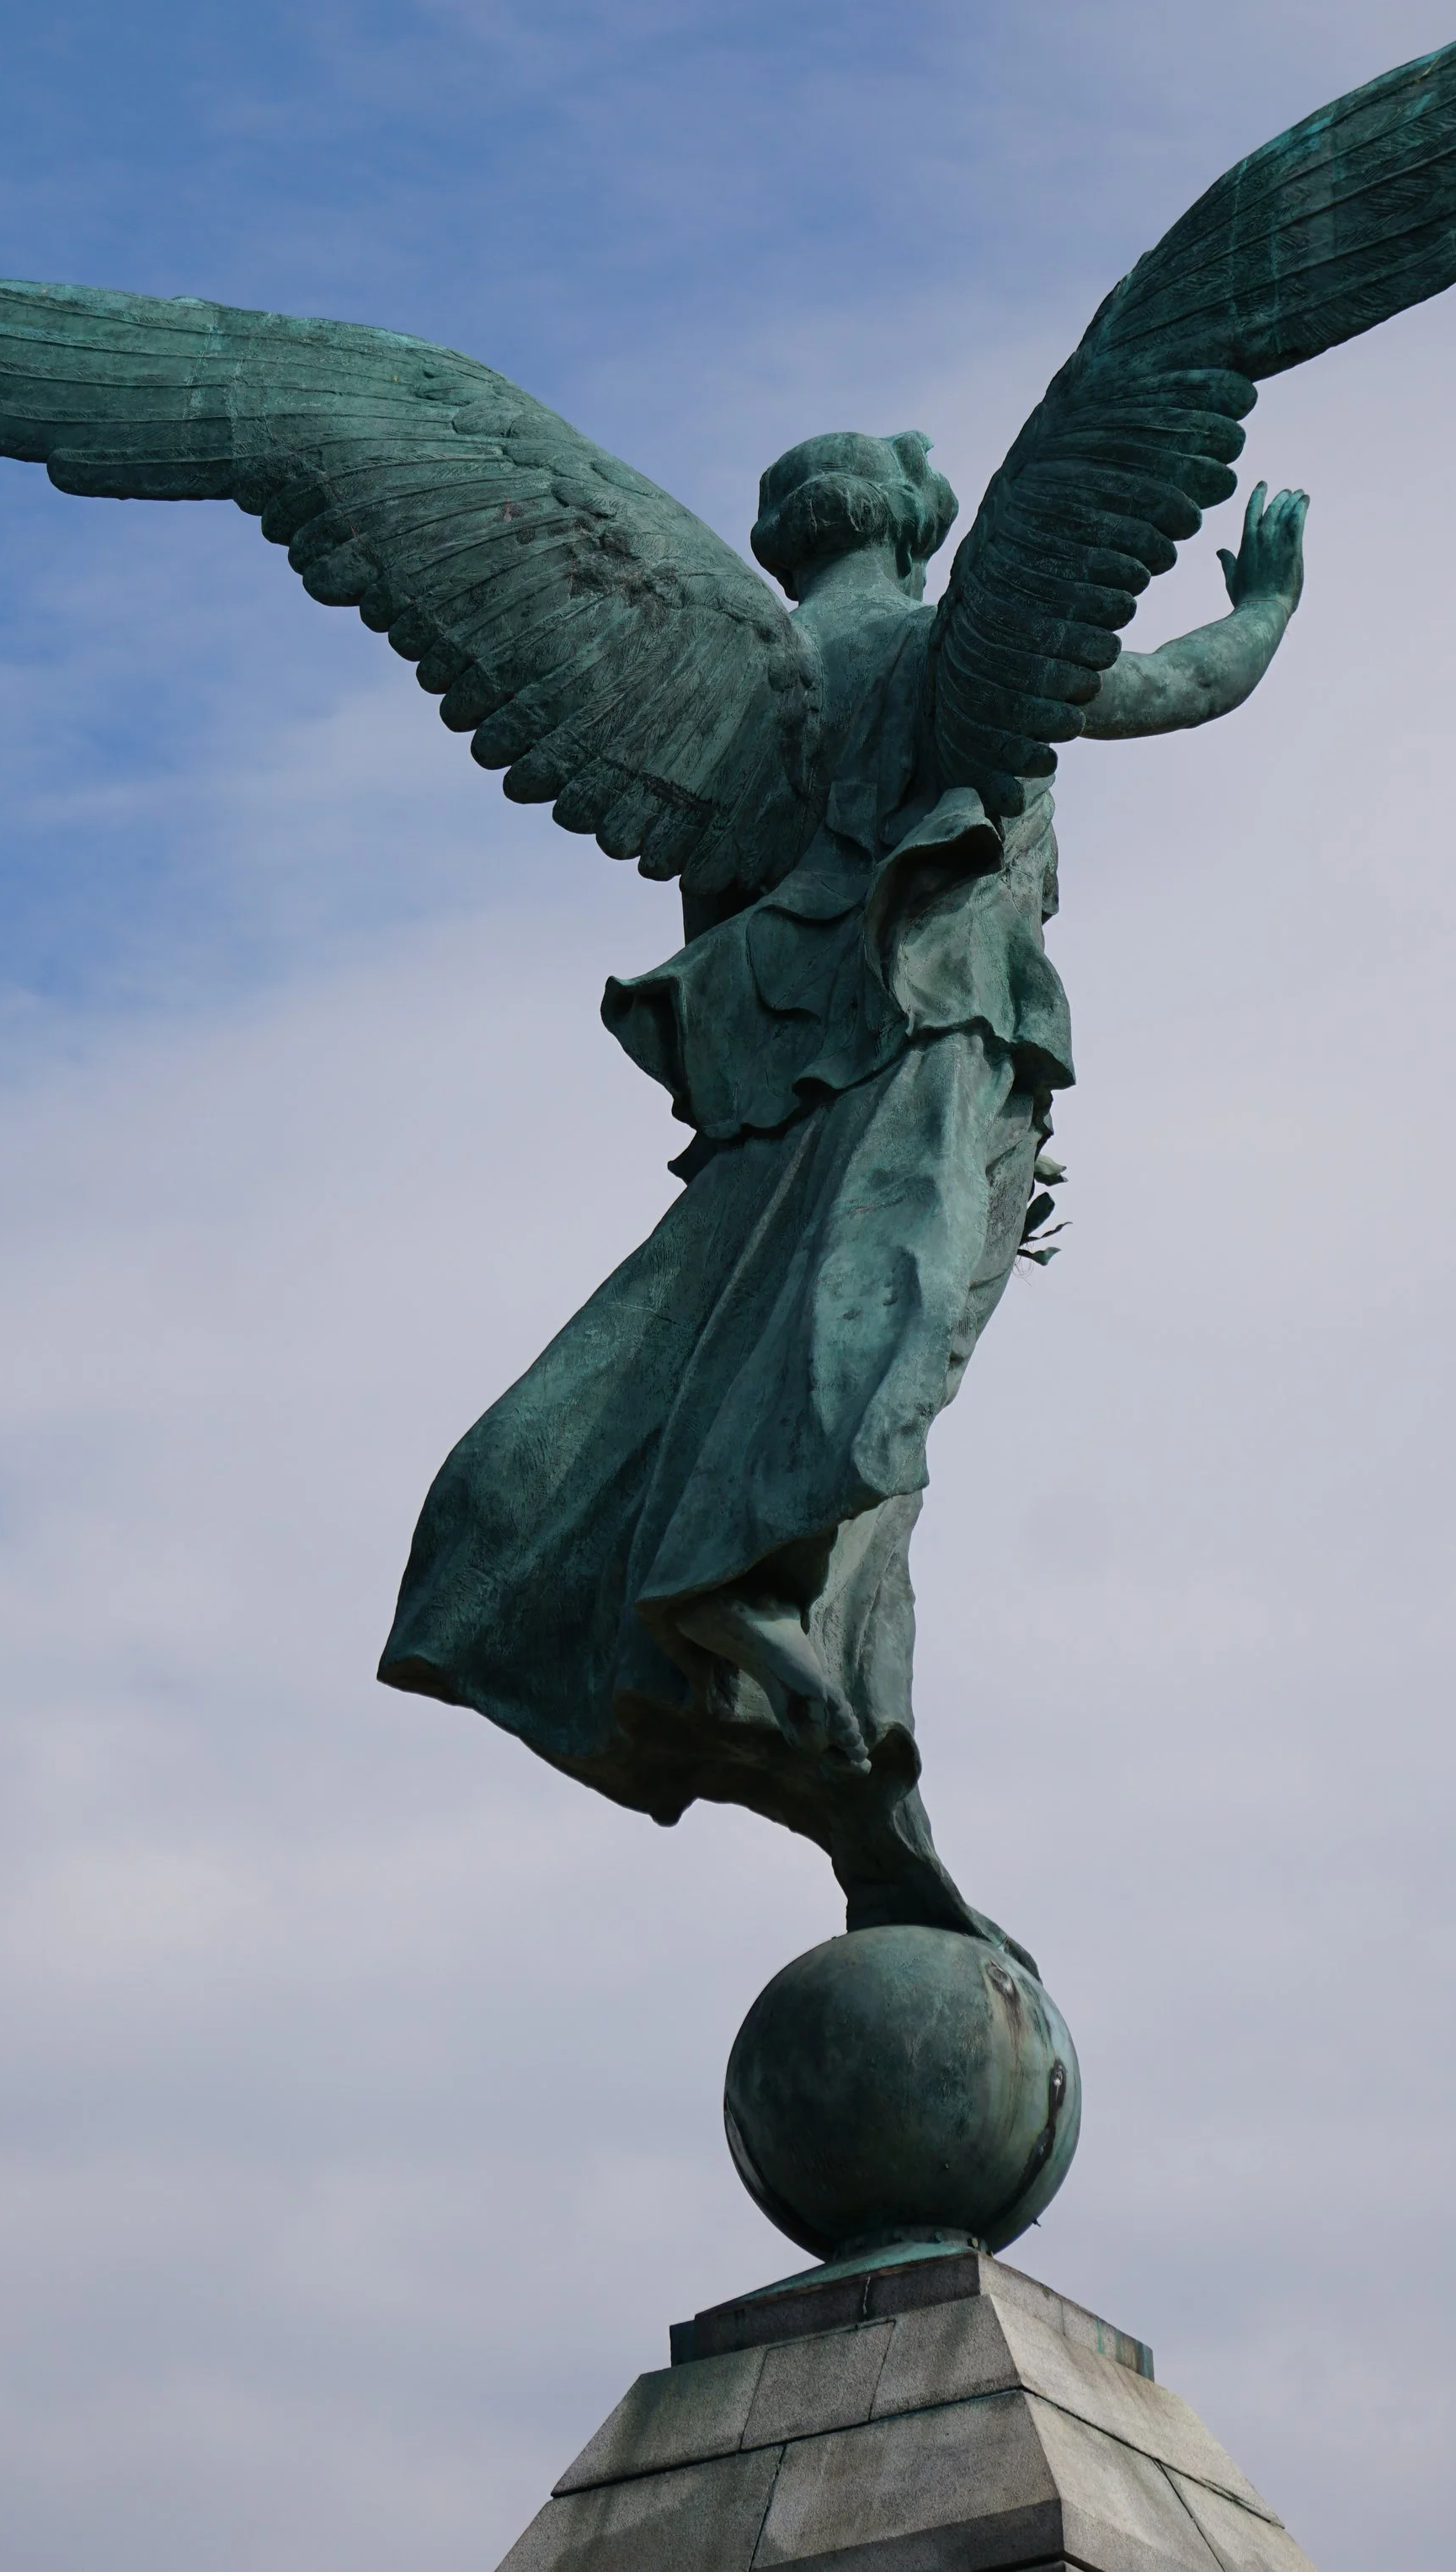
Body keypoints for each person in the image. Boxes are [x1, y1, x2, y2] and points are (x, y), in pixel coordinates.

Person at [378, 426, 1308, 1948]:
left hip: (793, 1073)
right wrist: (1265, 605)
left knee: (764, 1347)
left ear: (783, 546)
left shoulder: (728, 682)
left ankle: (840, 1746)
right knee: (879, 1354)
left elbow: (726, 902)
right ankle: (741, 1567)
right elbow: (1174, 684)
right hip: (937, 1024)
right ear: (918, 529)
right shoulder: (951, 645)